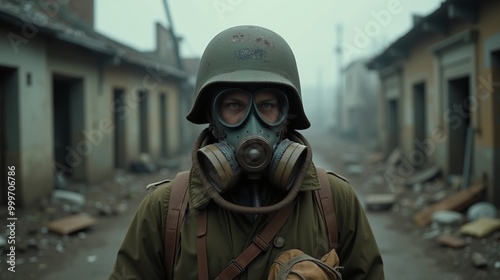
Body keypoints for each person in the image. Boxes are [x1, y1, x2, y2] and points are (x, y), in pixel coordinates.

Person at [109, 25, 384, 280]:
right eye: (233, 105)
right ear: (212, 119)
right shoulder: (165, 210)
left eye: (266, 106)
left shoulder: (334, 201)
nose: (253, 126)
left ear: (286, 116)